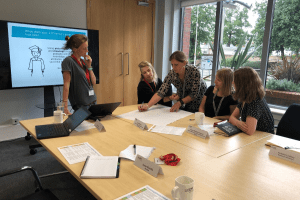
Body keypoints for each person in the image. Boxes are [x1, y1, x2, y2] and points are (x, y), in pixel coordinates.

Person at [138, 51, 207, 113]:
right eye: (172, 65)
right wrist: (147, 106)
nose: (173, 67)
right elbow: (160, 92)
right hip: (183, 100)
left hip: (198, 99)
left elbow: (193, 94)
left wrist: (180, 103)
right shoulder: (172, 74)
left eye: (176, 64)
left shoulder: (194, 71)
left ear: (184, 63)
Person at [229, 67, 274, 135]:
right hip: (253, 137)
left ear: (242, 84)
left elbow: (249, 130)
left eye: (235, 80)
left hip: (263, 138)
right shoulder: (244, 97)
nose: (232, 82)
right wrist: (238, 123)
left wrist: (236, 122)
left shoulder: (255, 101)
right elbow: (231, 118)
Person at [61, 34, 97, 115]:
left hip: (93, 102)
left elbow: (93, 82)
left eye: (87, 47)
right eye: (84, 48)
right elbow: (66, 85)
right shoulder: (68, 61)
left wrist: (89, 66)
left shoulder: (83, 61)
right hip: (82, 106)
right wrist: (65, 107)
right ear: (75, 49)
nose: (87, 51)